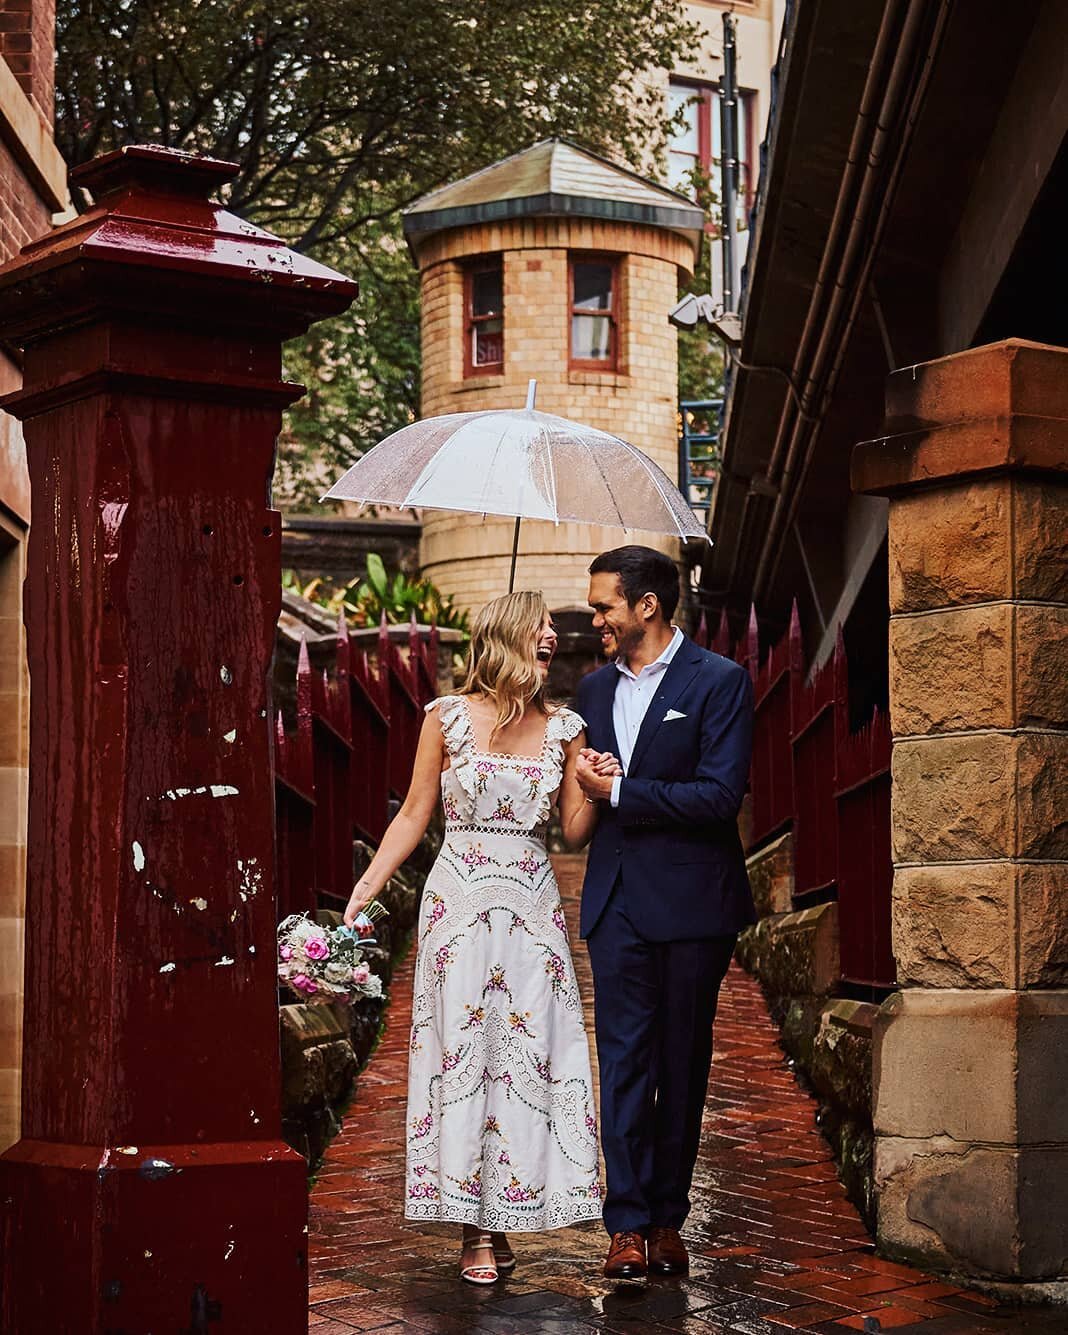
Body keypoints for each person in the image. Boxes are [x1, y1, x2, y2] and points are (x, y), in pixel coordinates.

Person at [344, 591, 615, 1285]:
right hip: (458, 902)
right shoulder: (445, 718)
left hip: (530, 902)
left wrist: (595, 785)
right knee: (466, 1052)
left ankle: (510, 1207)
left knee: (528, 1050)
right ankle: (474, 1224)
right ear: (504, 636)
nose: (554, 635)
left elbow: (574, 830)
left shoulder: (568, 728)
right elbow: (414, 812)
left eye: (554, 627)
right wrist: (368, 884)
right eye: (542, 624)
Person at [573, 545, 755, 1281]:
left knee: (681, 1065)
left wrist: (622, 792)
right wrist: (589, 782)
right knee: (620, 1064)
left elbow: (720, 797)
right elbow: (575, 799)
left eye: (603, 605)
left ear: (647, 604)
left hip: (691, 906)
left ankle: (667, 1218)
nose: (595, 620)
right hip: (615, 902)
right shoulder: (589, 691)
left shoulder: (720, 681)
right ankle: (624, 1223)